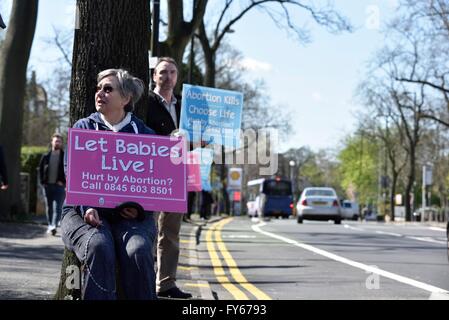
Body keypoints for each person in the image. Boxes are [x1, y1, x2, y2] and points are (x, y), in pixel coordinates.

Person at [60, 69, 157, 300]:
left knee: (138, 251)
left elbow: (154, 182)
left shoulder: (144, 134)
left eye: (108, 89)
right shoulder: (83, 128)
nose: (99, 93)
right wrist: (87, 207)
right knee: (99, 246)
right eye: (98, 88)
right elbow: (72, 174)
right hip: (80, 211)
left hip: (130, 218)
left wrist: (140, 206)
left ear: (125, 99)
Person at [146, 57, 192, 299]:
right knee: (149, 229)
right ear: (154, 75)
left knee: (171, 233)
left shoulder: (185, 105)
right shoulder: (146, 102)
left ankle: (166, 284)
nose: (168, 77)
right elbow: (139, 136)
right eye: (163, 72)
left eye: (172, 72)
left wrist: (199, 142)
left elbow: (191, 141)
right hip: (151, 174)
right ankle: (144, 280)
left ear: (177, 77)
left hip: (177, 174)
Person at [39, 134, 66, 235]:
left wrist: (63, 182)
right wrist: (43, 182)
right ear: (52, 142)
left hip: (59, 186)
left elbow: (68, 170)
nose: (57, 143)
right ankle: (50, 225)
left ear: (61, 143)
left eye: (59, 141)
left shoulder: (64, 156)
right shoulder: (46, 156)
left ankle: (54, 225)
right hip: (47, 186)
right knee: (49, 207)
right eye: (56, 141)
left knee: (58, 207)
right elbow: (40, 170)